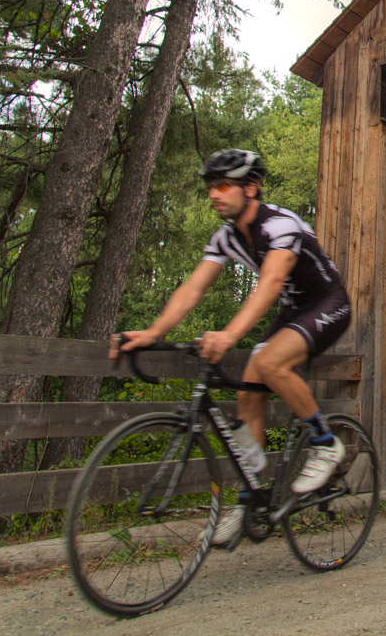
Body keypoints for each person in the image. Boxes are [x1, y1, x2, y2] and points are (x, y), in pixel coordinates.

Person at [113, 149, 352, 547]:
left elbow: (271, 284)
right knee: (246, 391)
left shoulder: (281, 225)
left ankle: (326, 444)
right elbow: (194, 287)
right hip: (295, 310)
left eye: (223, 185)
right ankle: (249, 497)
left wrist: (228, 335)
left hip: (328, 303)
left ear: (251, 187)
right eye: (211, 187)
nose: (214, 194)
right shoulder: (225, 237)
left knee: (272, 363)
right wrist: (153, 332)